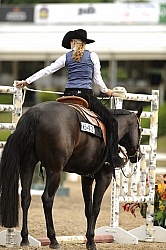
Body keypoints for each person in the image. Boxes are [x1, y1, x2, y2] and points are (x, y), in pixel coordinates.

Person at [16, 28, 123, 169]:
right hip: (86, 95)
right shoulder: (93, 56)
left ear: (73, 42)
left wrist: (27, 81)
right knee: (112, 122)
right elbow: (98, 79)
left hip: (68, 95)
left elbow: (48, 70)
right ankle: (112, 157)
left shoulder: (65, 57)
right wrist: (106, 91)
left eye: (71, 42)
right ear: (84, 43)